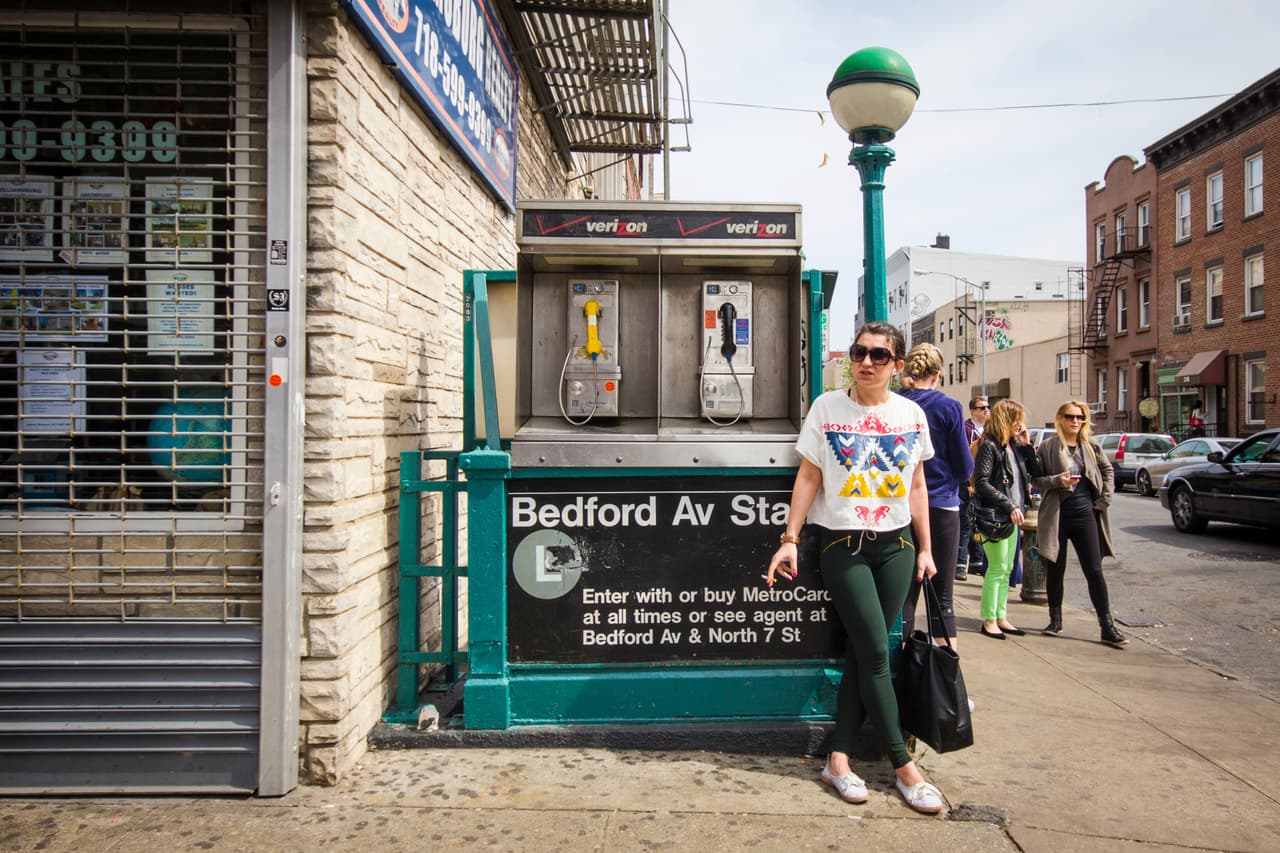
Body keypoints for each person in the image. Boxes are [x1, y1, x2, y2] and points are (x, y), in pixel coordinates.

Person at [767, 322, 945, 816]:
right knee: (876, 653)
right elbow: (808, 476)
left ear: (898, 365)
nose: (866, 362)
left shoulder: (911, 414)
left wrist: (926, 548)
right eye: (859, 352)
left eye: (879, 355)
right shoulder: (827, 408)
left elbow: (917, 486)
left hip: (897, 546)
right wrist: (790, 539)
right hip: (844, 546)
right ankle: (903, 766)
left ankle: (838, 760)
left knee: (864, 656)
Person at [1032, 400, 1128, 648]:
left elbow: (1108, 471)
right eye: (1070, 417)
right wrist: (1058, 481)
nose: (1075, 421)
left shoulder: (1091, 446)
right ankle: (1055, 621)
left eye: (1080, 417)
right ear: (1060, 418)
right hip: (1057, 515)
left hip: (1086, 514)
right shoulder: (1049, 446)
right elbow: (1037, 480)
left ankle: (1107, 626)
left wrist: (1104, 500)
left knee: (1094, 570)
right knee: (1056, 568)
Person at [896, 343, 972, 652]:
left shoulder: (894, 402)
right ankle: (946, 673)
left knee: (903, 596)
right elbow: (964, 468)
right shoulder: (948, 407)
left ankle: (901, 668)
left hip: (899, 507)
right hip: (940, 505)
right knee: (941, 597)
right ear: (937, 375)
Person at [971, 399, 1037, 639]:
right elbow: (982, 482)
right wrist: (1008, 505)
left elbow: (1036, 472)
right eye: (1016, 419)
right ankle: (989, 619)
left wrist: (1027, 445)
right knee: (997, 568)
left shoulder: (1013, 446)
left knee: (1007, 568)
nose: (1020, 424)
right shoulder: (990, 446)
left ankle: (1000, 616)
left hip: (1012, 515)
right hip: (997, 516)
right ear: (1005, 420)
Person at [956, 396, 991, 580]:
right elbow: (964, 457)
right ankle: (960, 563)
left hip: (985, 483)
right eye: (982, 407)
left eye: (988, 407)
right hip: (968, 483)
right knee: (966, 522)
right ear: (972, 411)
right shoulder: (965, 430)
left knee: (980, 523)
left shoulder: (990, 429)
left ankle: (977, 561)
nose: (986, 410)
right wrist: (969, 483)